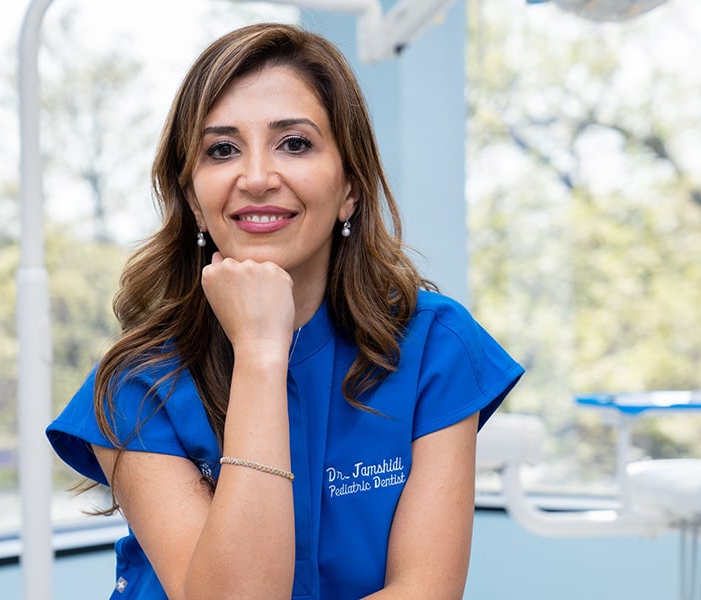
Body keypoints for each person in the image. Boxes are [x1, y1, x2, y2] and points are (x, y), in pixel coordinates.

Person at [47, 22, 524, 600]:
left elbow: (423, 591)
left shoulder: (435, 347)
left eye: (294, 143)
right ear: (194, 199)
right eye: (222, 150)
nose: (256, 178)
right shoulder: (137, 384)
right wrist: (260, 353)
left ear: (349, 185)